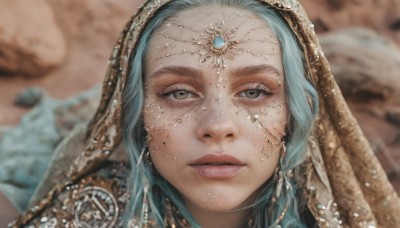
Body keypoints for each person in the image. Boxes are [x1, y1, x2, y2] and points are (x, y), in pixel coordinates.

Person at [8, 0, 400, 227]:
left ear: (296, 113)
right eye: (178, 93)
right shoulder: (92, 211)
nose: (217, 126)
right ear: (135, 112)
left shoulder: (329, 213)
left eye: (254, 92)